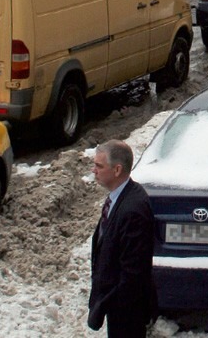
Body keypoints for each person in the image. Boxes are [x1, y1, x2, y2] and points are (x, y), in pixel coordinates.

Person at [89, 140, 157, 338]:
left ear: (117, 170)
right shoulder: (120, 196)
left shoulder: (133, 209)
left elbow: (133, 271)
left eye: (99, 166)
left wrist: (113, 303)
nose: (94, 170)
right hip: (118, 306)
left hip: (127, 311)